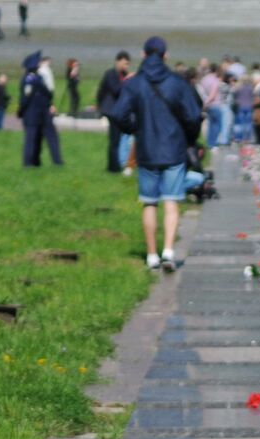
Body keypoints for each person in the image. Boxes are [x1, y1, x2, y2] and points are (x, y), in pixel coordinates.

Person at [105, 36, 202, 272]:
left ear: (143, 55)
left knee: (149, 203)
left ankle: (151, 255)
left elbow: (118, 114)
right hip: (173, 150)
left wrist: (135, 128)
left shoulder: (134, 83)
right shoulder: (177, 83)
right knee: (171, 201)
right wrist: (188, 137)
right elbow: (193, 116)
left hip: (147, 150)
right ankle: (168, 251)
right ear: (166, 56)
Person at [17, 50, 62, 167]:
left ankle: (56, 161)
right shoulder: (29, 80)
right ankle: (29, 162)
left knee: (49, 137)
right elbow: (26, 97)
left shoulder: (37, 78)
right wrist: (22, 110)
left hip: (42, 112)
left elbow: (47, 94)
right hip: (33, 114)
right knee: (31, 139)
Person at [97, 50, 131, 172]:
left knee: (118, 139)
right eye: (125, 63)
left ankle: (116, 164)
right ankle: (113, 167)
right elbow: (116, 90)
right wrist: (127, 80)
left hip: (119, 111)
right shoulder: (111, 74)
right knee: (114, 140)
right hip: (112, 111)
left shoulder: (122, 74)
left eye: (128, 64)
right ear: (118, 61)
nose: (126, 66)